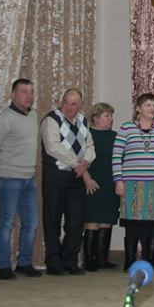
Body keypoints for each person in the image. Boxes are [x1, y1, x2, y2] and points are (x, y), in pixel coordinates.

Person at [0, 78, 42, 280]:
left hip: (28, 179)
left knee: (31, 222)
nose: (29, 96)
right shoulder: (4, 119)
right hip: (8, 178)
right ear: (13, 94)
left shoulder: (33, 116)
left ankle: (24, 262)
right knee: (6, 222)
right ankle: (3, 266)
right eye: (24, 91)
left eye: (31, 92)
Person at [113, 93, 154, 271]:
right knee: (132, 224)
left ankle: (150, 260)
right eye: (148, 105)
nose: (152, 109)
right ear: (138, 109)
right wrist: (118, 180)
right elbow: (116, 156)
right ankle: (129, 261)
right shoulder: (126, 128)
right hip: (131, 184)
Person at [40, 88, 95, 275]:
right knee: (52, 220)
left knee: (75, 222)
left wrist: (85, 161)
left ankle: (70, 260)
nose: (68, 107)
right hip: (55, 177)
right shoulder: (51, 120)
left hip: (76, 179)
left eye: (73, 104)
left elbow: (89, 145)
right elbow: (53, 147)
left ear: (81, 105)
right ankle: (53, 262)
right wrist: (76, 164)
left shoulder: (83, 121)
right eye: (65, 102)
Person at [83, 103, 120, 271]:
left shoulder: (115, 136)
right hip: (93, 183)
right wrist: (87, 179)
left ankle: (102, 258)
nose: (110, 119)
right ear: (95, 118)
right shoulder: (87, 135)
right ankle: (88, 259)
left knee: (106, 220)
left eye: (111, 116)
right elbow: (80, 159)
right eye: (106, 116)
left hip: (110, 183)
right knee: (93, 220)